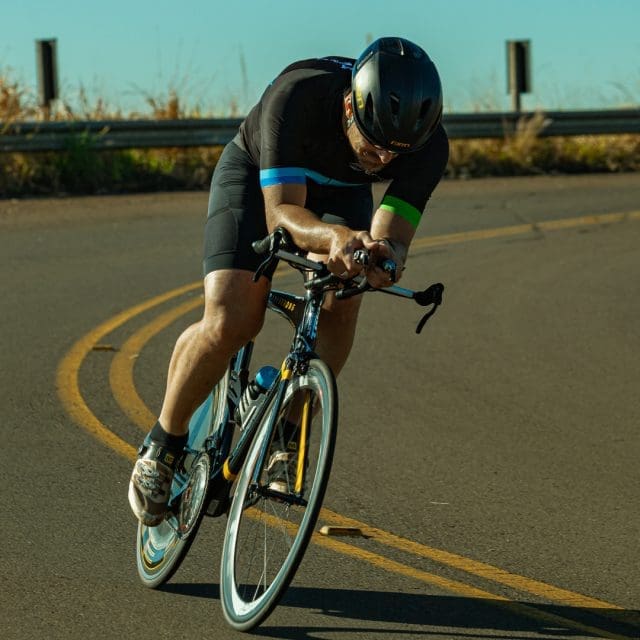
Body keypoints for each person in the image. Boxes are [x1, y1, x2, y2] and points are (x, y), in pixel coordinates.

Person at [128, 36, 449, 526]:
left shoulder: (428, 145)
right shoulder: (296, 94)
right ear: (349, 106)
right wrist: (335, 237)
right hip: (259, 177)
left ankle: (288, 429)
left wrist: (385, 257)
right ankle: (163, 443)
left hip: (343, 193)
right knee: (233, 318)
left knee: (347, 298)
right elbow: (281, 215)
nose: (383, 160)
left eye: (395, 154)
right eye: (374, 144)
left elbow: (393, 233)